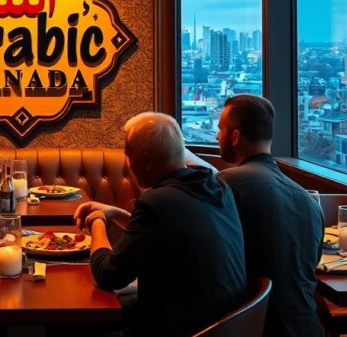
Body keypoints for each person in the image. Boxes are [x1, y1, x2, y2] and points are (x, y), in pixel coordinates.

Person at [75, 112, 247, 337]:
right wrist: (115, 213)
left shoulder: (156, 202)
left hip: (183, 328)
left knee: (73, 322)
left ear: (147, 160)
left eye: (129, 156)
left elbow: (109, 276)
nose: (129, 164)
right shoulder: (218, 188)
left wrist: (97, 222)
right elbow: (165, 232)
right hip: (226, 325)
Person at [216, 95, 323, 337]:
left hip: (251, 327)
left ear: (235, 137)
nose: (216, 137)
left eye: (220, 129)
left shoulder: (225, 185)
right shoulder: (308, 201)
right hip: (307, 328)